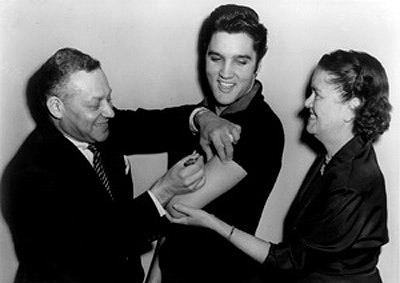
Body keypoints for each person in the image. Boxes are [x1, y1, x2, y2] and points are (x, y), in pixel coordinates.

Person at [0, 47, 240, 283]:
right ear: (56, 107)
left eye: (109, 98)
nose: (110, 112)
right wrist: (164, 190)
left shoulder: (93, 127)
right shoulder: (29, 176)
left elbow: (153, 123)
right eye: (95, 104)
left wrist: (203, 117)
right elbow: (96, 248)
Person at [171, 49, 392, 283]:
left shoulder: (350, 183)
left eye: (317, 94)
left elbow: (290, 261)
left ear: (352, 107)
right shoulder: (340, 156)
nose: (307, 103)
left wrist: (211, 222)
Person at [152, 4, 284, 283]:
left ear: (259, 62)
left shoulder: (263, 128)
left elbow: (175, 206)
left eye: (241, 61)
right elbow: (170, 231)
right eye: (216, 58)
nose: (225, 73)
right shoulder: (199, 117)